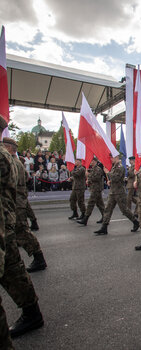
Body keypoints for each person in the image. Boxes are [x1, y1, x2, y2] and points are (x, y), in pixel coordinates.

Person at [0, 123, 44, 339]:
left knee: (19, 241)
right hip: (11, 209)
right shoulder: (12, 160)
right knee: (12, 267)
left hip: (10, 209)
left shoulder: (7, 159)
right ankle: (31, 312)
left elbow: (18, 186)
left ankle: (39, 257)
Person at [2, 138, 47, 273]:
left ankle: (39, 259)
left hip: (17, 201)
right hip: (17, 200)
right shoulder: (15, 162)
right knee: (16, 231)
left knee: (21, 230)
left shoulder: (13, 162)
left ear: (9, 148)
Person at [94, 154, 139, 235]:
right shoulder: (114, 167)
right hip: (113, 191)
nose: (111, 159)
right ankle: (104, 227)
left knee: (124, 210)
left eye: (112, 158)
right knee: (108, 209)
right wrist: (110, 181)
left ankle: (135, 222)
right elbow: (114, 179)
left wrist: (108, 173)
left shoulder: (120, 167)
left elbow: (117, 178)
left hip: (119, 192)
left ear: (116, 158)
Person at [77, 157, 105, 226]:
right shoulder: (92, 169)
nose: (91, 162)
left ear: (95, 161)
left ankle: (85, 219)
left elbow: (96, 178)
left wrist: (89, 176)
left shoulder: (98, 169)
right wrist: (88, 179)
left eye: (92, 161)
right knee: (100, 204)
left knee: (90, 203)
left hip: (96, 188)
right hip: (94, 188)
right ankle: (105, 217)